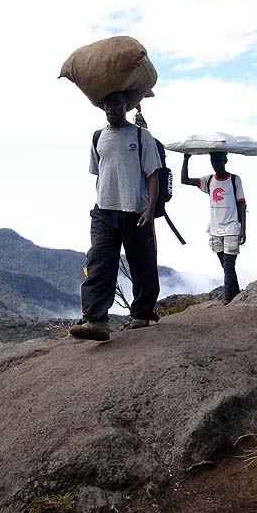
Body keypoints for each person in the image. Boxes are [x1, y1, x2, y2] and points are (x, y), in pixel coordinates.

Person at [70, 91, 162, 342]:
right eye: (108, 103)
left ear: (127, 106)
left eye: (117, 104)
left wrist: (150, 208)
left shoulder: (142, 136)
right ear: (103, 107)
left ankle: (142, 313)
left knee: (142, 263)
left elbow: (153, 174)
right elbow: (98, 172)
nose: (112, 108)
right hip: (104, 211)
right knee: (99, 262)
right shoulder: (98, 137)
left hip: (136, 210)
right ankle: (95, 321)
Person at [181, 152, 246, 305]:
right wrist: (186, 159)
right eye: (213, 161)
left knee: (229, 265)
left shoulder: (234, 180)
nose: (215, 164)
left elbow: (242, 204)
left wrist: (243, 229)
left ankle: (228, 298)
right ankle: (235, 292)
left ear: (225, 161)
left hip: (231, 228)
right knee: (225, 265)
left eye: (218, 161)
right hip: (215, 230)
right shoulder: (209, 180)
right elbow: (184, 180)